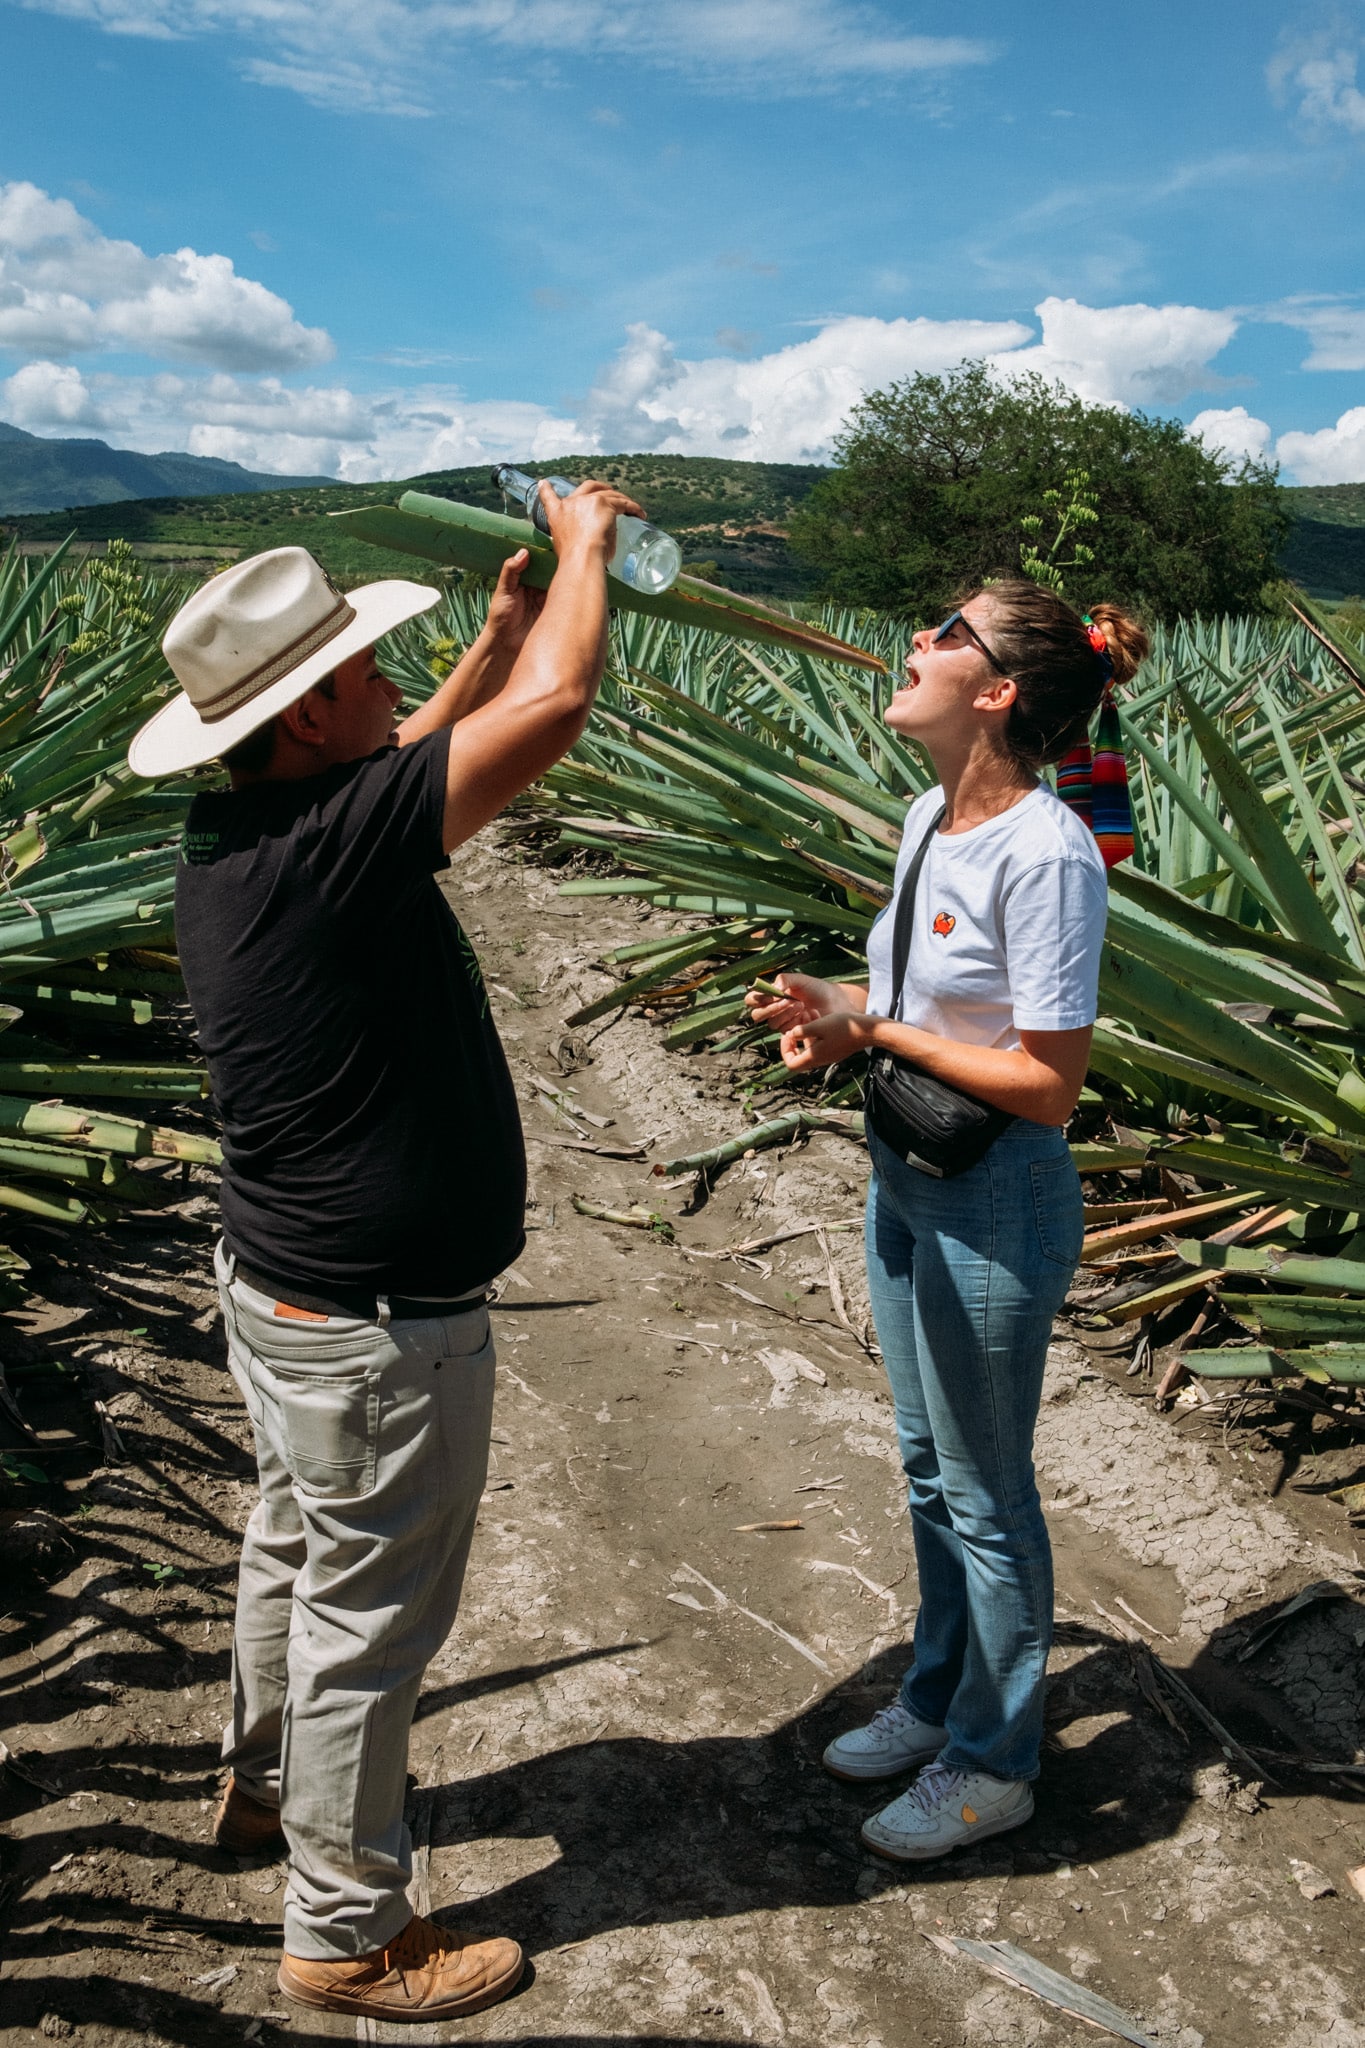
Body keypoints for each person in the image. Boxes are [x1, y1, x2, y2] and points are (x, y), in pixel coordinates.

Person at [126, 478, 643, 2019]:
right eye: (361, 672)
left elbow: (417, 754)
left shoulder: (250, 828)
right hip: (371, 1325)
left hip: (284, 1295)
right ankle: (344, 1932)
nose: (390, 688)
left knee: (295, 1542)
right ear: (305, 720)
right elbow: (554, 709)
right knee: (371, 1627)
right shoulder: (324, 842)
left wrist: (483, 642)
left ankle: (262, 1785)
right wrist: (582, 559)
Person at [748, 580, 1148, 1863]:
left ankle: (996, 1760)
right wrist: (840, 1008)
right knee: (927, 1468)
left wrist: (877, 1029)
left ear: (995, 693)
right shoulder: (931, 812)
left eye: (946, 631)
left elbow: (1049, 1083)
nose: (915, 640)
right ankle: (937, 1697)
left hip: (997, 1196)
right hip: (907, 1170)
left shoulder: (1049, 852)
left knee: (985, 1492)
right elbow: (920, 996)